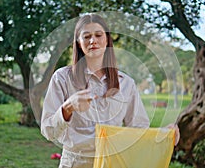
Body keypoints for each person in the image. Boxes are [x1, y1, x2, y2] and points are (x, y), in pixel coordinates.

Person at [41, 13, 179, 168]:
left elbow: (138, 130)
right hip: (75, 163)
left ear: (107, 40)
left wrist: (162, 134)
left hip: (113, 163)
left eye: (98, 35)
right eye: (86, 36)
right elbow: (48, 130)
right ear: (79, 43)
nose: (93, 40)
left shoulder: (126, 83)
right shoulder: (62, 78)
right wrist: (68, 107)